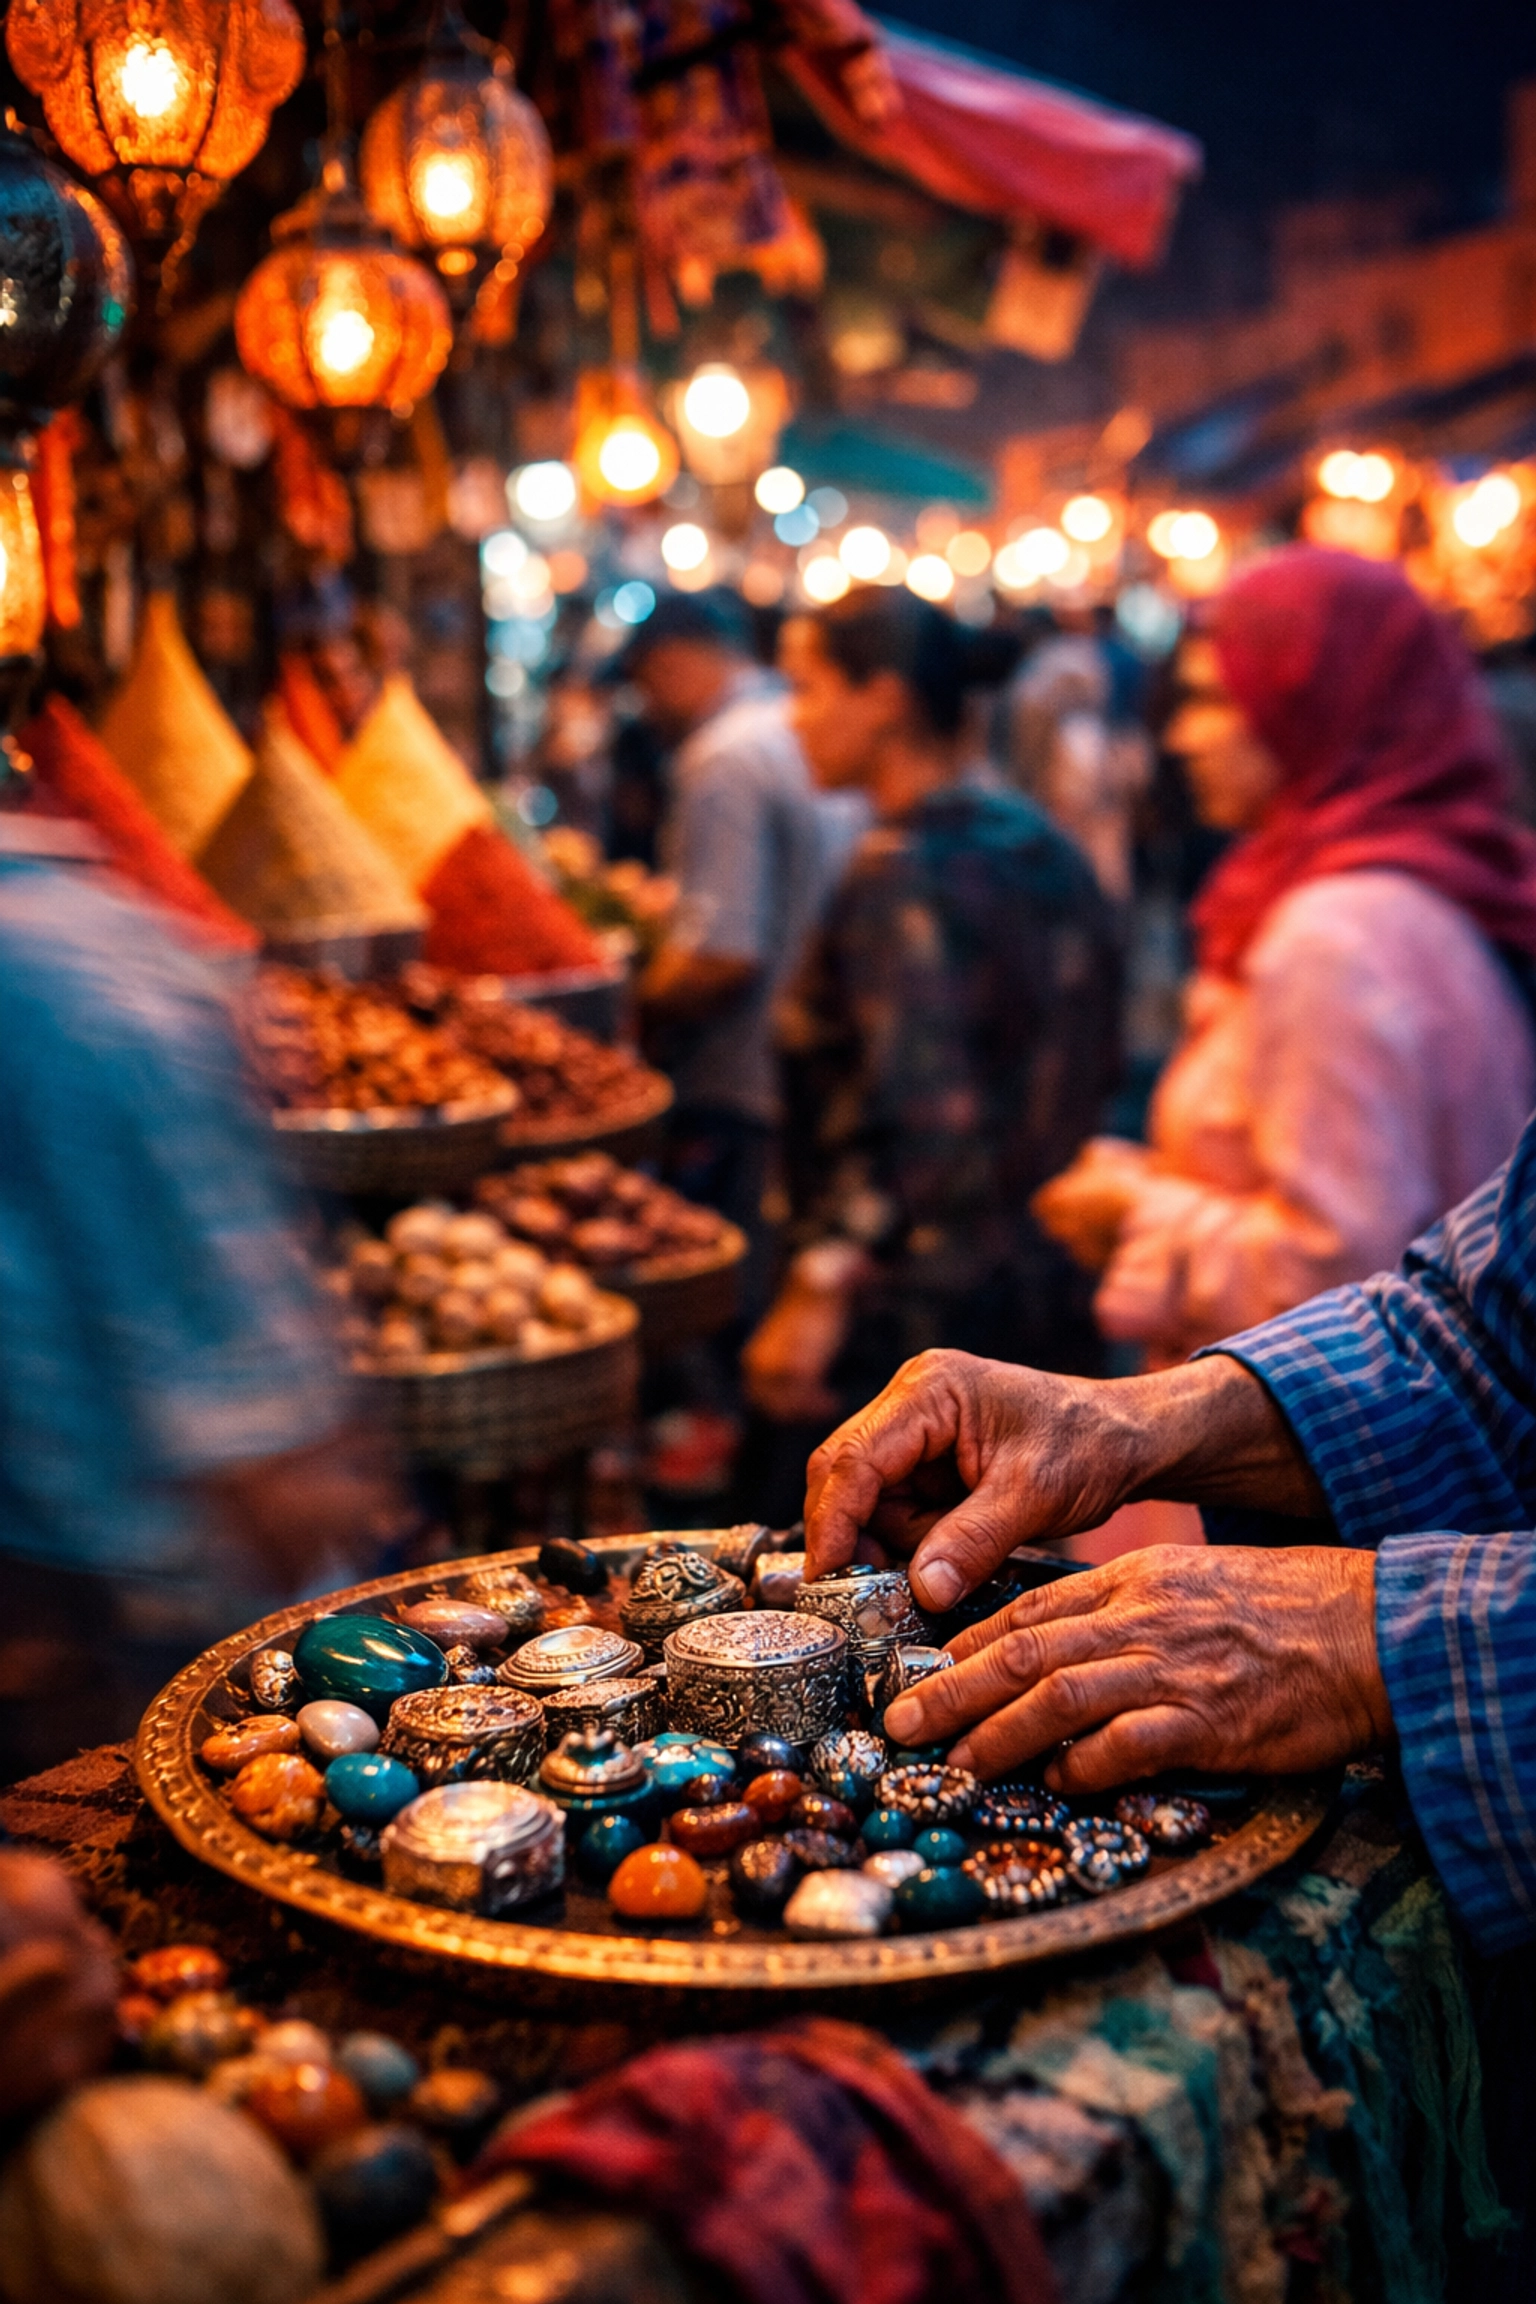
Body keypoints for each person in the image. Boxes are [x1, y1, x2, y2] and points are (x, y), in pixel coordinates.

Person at [1035, 547, 1536, 1365]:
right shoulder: (1407, 886)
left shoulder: (1335, 937)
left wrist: (1139, 1210)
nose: (1183, 738)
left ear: (1320, 703)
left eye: (1214, 701)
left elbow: (1343, 1280)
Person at [0, 814, 395, 1781]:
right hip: (104, 1573)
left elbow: (241, 1392)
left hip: (122, 1593)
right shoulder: (92, 948)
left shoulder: (59, 973)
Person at [742, 589, 1122, 1442]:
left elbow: (929, 1122)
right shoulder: (1043, 845)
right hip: (1052, 1286)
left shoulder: (902, 876)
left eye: (808, 689)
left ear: (882, 698)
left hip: (919, 1331)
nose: (793, 721)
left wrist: (819, 1284)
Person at [628, 589, 846, 1251]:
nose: (647, 705)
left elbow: (723, 954)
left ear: (672, 664)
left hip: (745, 1083)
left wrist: (640, 1010)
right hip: (806, 1076)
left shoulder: (724, 757)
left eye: (647, 682)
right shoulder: (799, 732)